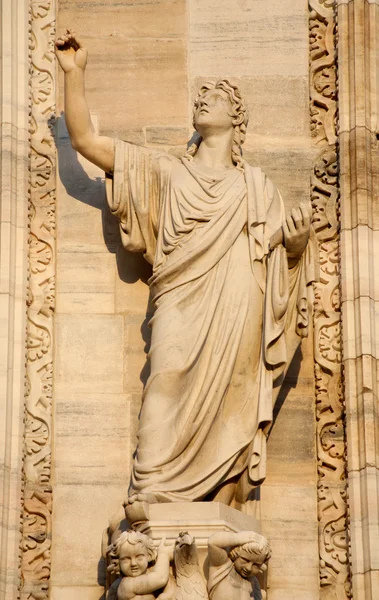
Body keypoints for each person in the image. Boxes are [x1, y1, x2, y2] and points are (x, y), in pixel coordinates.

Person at [55, 30, 316, 510]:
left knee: (234, 390)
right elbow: (87, 142)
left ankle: (219, 493)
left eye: (212, 95)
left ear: (236, 116)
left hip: (239, 302)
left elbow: (282, 279)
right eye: (198, 96)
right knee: (168, 376)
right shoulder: (164, 170)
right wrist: (75, 74)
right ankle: (152, 485)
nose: (201, 99)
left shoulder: (258, 188)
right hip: (180, 297)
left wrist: (295, 249)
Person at [107, 531, 172, 600]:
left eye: (139, 557)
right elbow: (160, 578)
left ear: (149, 556)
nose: (133, 563)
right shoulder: (127, 584)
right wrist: (164, 554)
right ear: (118, 561)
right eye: (126, 559)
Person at [207, 530, 271, 600]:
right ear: (235, 554)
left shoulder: (252, 582)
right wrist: (237, 538)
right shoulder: (224, 566)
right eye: (245, 560)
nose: (248, 568)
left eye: (256, 565)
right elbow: (212, 542)